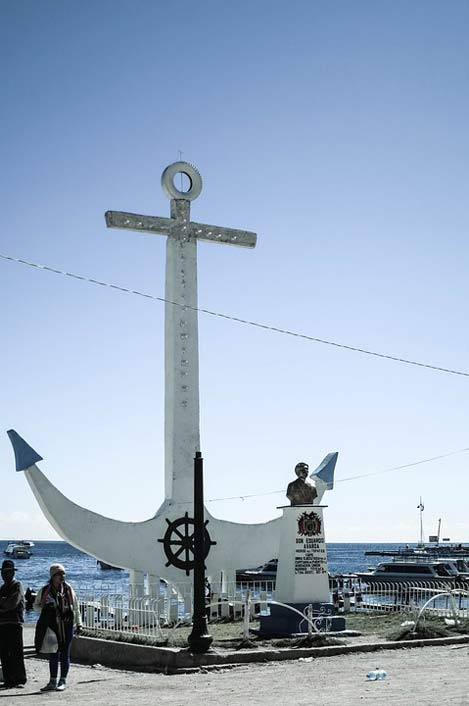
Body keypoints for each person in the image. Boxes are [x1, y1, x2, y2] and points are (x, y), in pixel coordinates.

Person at [34, 563, 82, 692]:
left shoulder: (68, 589)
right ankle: (52, 681)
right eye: (59, 574)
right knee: (53, 652)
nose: (62, 577)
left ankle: (63, 680)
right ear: (53, 576)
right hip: (52, 626)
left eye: (63, 574)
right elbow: (36, 606)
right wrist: (46, 609)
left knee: (65, 652)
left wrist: (79, 624)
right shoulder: (45, 591)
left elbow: (75, 607)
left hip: (67, 625)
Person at [0, 559, 27, 689]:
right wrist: (4, 603)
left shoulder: (18, 585)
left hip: (15, 623)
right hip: (2, 624)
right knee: (4, 653)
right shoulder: (2, 588)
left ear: (12, 573)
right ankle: (8, 679)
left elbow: (12, 603)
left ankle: (19, 678)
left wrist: (3, 603)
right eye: (3, 573)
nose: (5, 575)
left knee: (16, 652)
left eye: (7, 572)